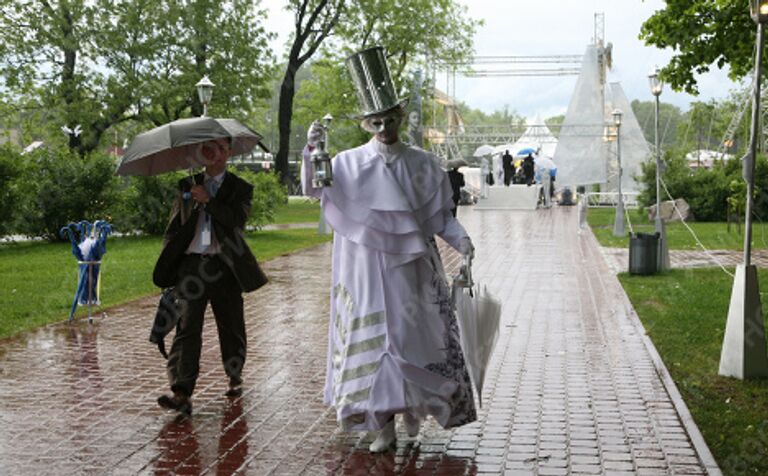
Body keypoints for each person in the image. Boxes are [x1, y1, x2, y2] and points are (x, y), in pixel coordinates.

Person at [303, 46, 477, 453]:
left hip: (412, 271)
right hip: (362, 270)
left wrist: (463, 243)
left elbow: (439, 218)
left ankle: (411, 409)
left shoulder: (423, 163)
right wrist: (314, 152)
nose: (383, 127)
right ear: (366, 122)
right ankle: (380, 422)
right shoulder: (346, 163)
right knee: (372, 340)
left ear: (400, 118)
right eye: (375, 121)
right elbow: (315, 188)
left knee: (412, 339)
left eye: (389, 119)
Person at [153, 138, 268, 415]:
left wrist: (210, 200)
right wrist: (171, 261)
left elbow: (236, 221)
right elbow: (174, 226)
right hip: (191, 267)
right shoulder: (186, 186)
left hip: (224, 267)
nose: (211, 151)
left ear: (228, 151)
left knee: (230, 326)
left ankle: (234, 374)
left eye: (218, 146)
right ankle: (181, 392)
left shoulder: (240, 188)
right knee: (186, 328)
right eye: (206, 146)